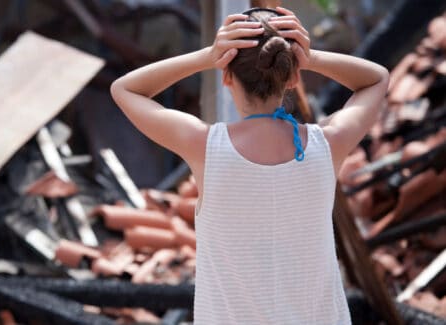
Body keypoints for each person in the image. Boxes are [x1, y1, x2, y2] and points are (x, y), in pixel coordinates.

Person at [110, 6, 389, 325]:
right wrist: (313, 57)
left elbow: (125, 89)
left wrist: (207, 56)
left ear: (226, 75)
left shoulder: (205, 147)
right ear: (293, 76)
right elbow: (377, 78)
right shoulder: (327, 144)